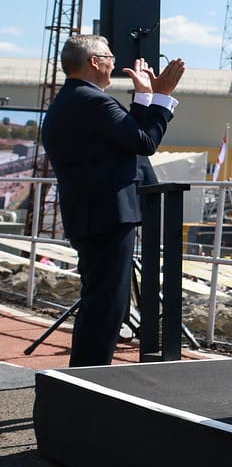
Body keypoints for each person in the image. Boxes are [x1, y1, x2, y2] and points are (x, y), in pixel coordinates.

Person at [39, 35, 187, 366]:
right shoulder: (94, 102)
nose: (113, 62)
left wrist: (145, 96)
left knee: (104, 300)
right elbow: (144, 141)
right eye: (109, 56)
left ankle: (85, 380)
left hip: (91, 213)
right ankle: (88, 383)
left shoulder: (72, 101)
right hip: (107, 214)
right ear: (94, 61)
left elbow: (124, 137)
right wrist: (161, 95)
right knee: (107, 304)